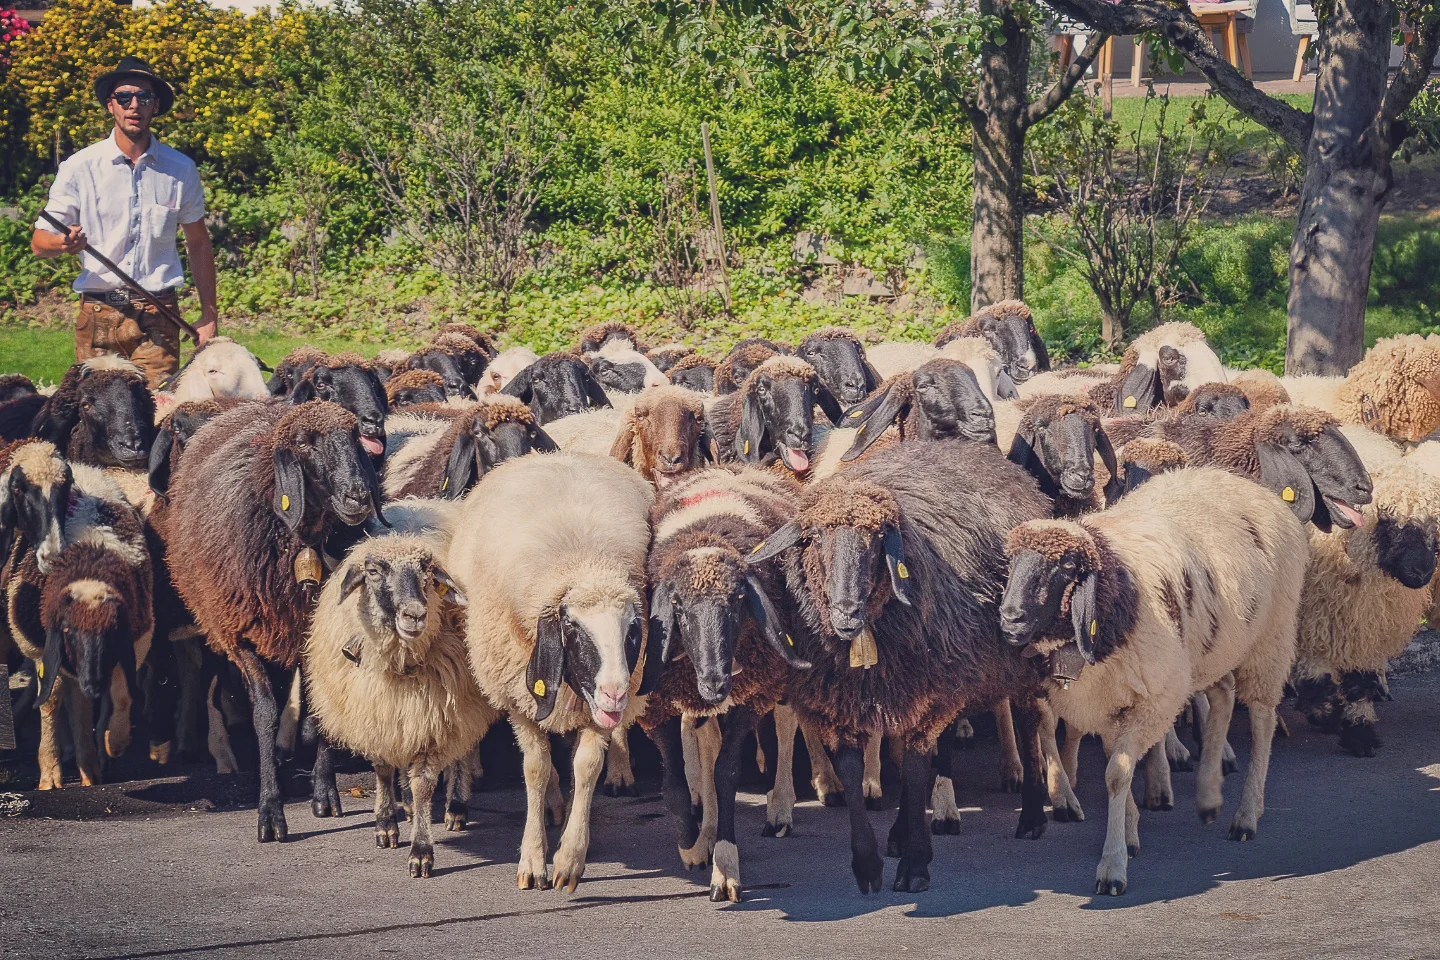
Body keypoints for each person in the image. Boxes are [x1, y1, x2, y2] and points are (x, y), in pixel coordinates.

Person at [31, 56, 218, 387]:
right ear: (111, 106)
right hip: (99, 315)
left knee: (159, 415)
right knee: (99, 421)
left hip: (158, 315)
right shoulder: (79, 168)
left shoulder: (180, 169)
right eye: (124, 97)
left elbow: (199, 242)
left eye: (144, 98)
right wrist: (63, 244)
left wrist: (209, 316)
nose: (135, 106)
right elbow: (40, 242)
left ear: (155, 106)